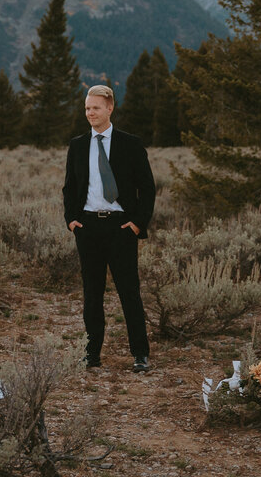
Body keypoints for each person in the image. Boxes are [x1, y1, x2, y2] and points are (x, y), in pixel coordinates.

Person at [63, 84, 155, 372]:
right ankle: (92, 354)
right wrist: (72, 220)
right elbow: (70, 187)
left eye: (96, 108)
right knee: (92, 294)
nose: (90, 113)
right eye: (87, 108)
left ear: (110, 108)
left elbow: (148, 188)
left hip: (121, 227)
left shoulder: (130, 143)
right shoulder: (78, 145)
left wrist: (137, 224)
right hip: (88, 227)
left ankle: (140, 353)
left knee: (129, 292)